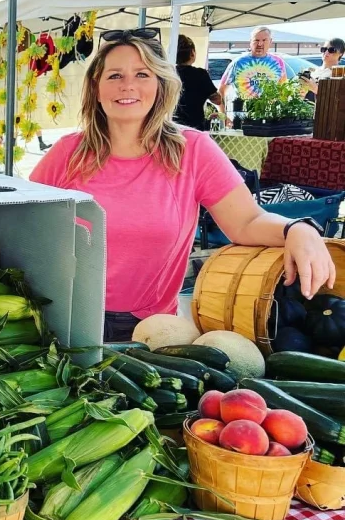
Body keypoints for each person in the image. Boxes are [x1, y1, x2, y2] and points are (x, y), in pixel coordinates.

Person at [30, 29, 335, 342]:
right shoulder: (67, 153)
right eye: (114, 75)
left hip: (150, 330)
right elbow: (22, 227)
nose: (128, 85)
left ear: (161, 85)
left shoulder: (192, 150)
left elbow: (246, 221)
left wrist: (297, 229)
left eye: (142, 74)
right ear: (96, 87)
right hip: (62, 319)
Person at [217, 26, 293, 106]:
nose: (260, 44)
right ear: (250, 42)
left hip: (271, 113)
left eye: (264, 40)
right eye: (256, 40)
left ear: (270, 41)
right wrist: (224, 116)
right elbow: (221, 91)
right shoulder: (238, 63)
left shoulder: (278, 62)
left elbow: (283, 90)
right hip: (243, 113)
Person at [173, 35, 221, 130]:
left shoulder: (168, 73)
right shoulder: (200, 74)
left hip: (170, 127)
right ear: (192, 53)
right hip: (194, 127)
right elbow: (217, 100)